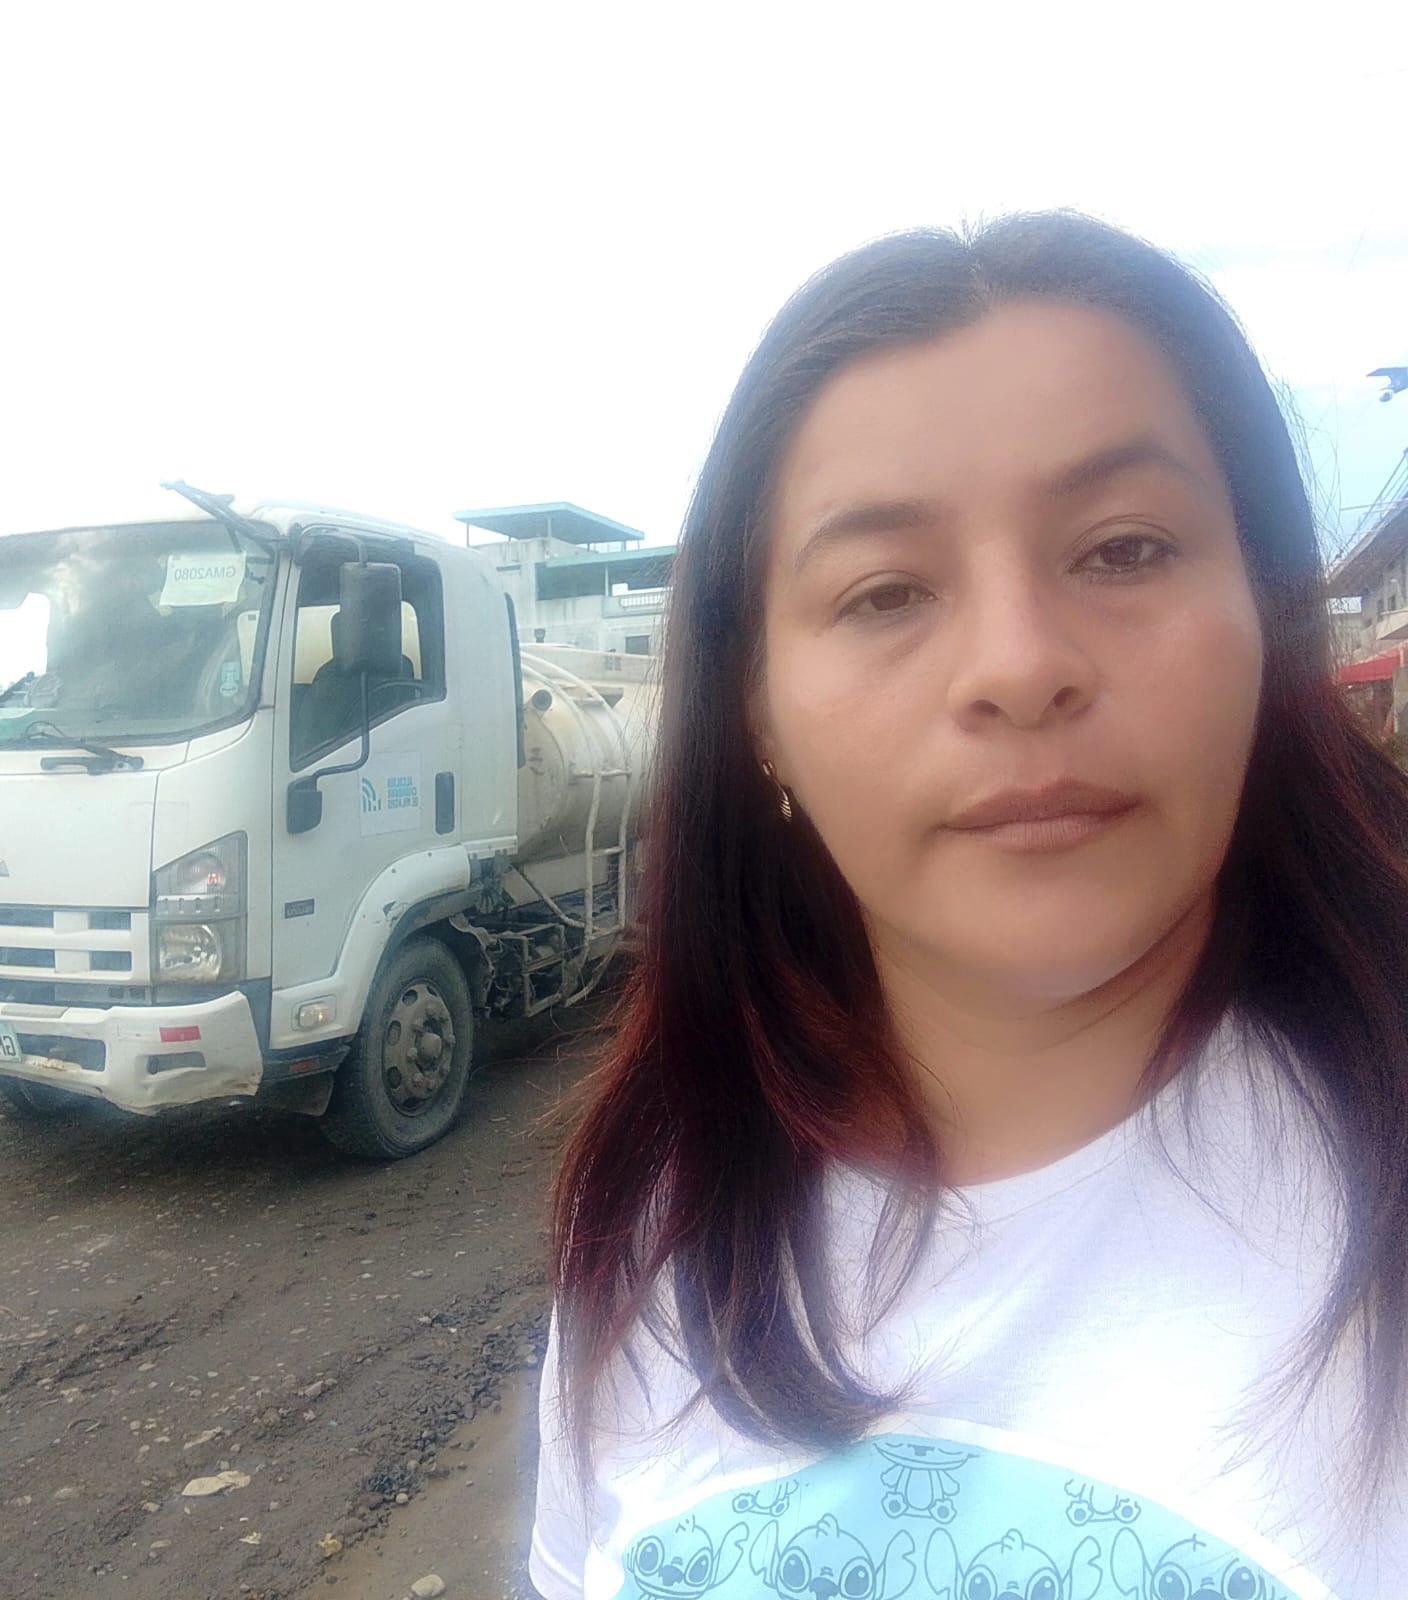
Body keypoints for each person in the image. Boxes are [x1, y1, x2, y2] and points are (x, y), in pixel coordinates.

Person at [528, 212, 1408, 1600]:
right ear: (757, 715)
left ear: (1270, 618)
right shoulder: (656, 1226)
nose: (1018, 665)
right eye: (885, 593)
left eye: (1123, 549)